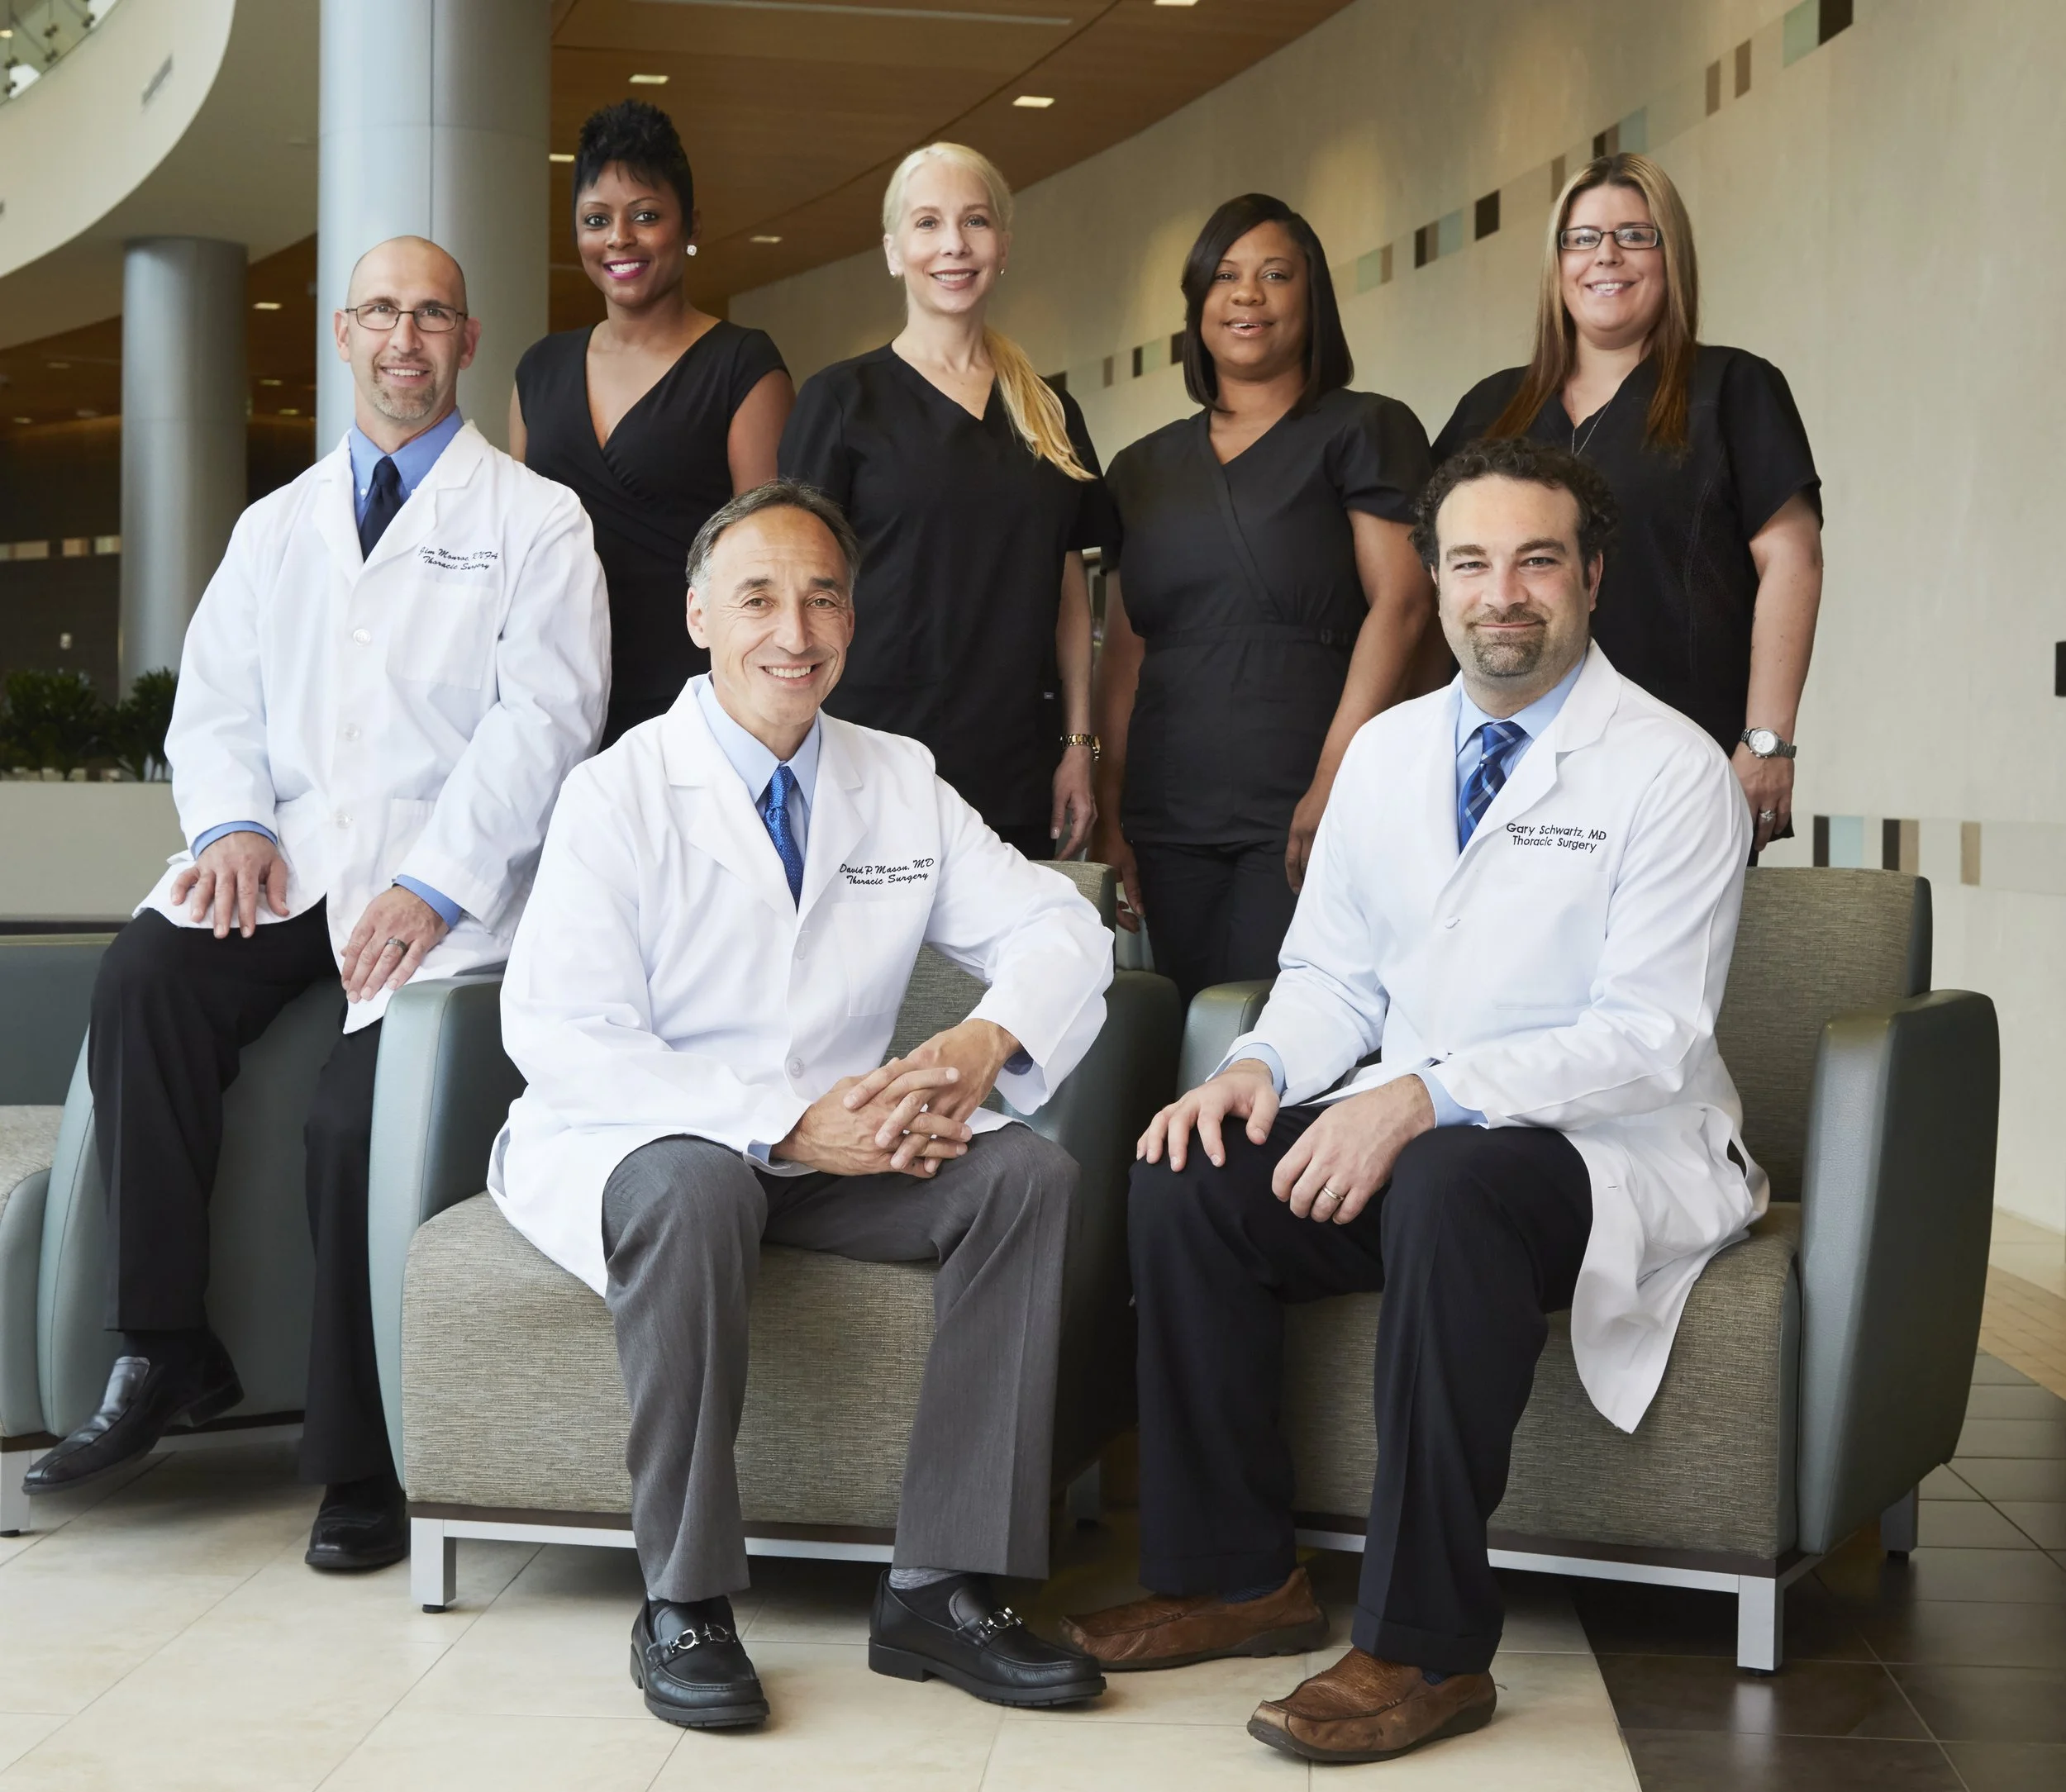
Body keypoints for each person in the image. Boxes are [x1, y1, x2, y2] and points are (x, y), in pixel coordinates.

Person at [1061, 438, 1764, 1766]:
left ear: (1592, 579)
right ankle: (1234, 1578)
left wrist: (1424, 1098)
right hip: (1425, 1142)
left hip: (1605, 1152)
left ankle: (1425, 1646)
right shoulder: (1384, 754)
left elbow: (1652, 1036)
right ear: (1434, 584)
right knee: (1191, 1173)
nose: (1504, 593)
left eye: (1538, 561)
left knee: (1450, 1177)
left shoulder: (1672, 771)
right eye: (1472, 562)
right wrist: (1261, 1069)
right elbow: (1331, 972)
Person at [23, 238, 611, 1574]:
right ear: (342, 336)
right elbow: (216, 700)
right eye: (381, 313)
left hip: (448, 882)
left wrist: (433, 881)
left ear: (467, 341)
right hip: (293, 857)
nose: (406, 336)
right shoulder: (273, 524)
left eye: (433, 315)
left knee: (357, 1121)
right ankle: (165, 1346)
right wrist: (229, 821)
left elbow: (548, 721)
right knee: (147, 980)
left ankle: (361, 1457)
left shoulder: (534, 519)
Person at [488, 481, 1115, 1729]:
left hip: (844, 1154)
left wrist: (986, 1041)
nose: (796, 628)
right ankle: (684, 1600)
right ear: (700, 616)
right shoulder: (617, 792)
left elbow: (1061, 922)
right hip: (652, 1139)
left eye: (823, 597)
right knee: (699, 1176)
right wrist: (781, 1122)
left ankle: (940, 1589)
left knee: (1025, 1179)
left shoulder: (899, 780)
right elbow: (563, 1033)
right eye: (761, 597)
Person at [1091, 193, 1436, 1005]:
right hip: (1170, 804)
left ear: (1311, 301)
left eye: (1275, 275)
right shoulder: (1140, 468)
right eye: (1225, 276)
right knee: (1179, 1027)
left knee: (1266, 1026)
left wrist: (1335, 782)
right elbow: (1126, 645)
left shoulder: (1366, 430)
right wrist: (1110, 808)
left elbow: (1406, 606)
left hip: (1303, 795)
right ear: (1196, 306)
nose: (1248, 295)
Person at [1435, 152, 1822, 857]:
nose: (1605, 255)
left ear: (1671, 256)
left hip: (1679, 759)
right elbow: (1437, 574)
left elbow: (1793, 559)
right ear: (1557, 265)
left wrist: (1766, 741)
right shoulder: (1490, 407)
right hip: (1505, 759)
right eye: (1581, 238)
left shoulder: (1734, 388)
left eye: (1635, 235)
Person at [778, 141, 1112, 860]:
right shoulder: (839, 401)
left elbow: (1069, 593)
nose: (954, 245)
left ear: (1004, 245)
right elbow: (797, 594)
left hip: (1015, 765)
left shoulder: (1050, 412)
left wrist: (1078, 746)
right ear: (894, 250)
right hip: (869, 760)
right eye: (928, 224)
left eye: (975, 222)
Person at [512, 100, 792, 745]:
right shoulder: (540, 370)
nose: (619, 239)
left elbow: (765, 558)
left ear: (689, 223)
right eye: (596, 220)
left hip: (694, 705)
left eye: (645, 215)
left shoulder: (742, 365)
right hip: (553, 699)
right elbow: (519, 552)